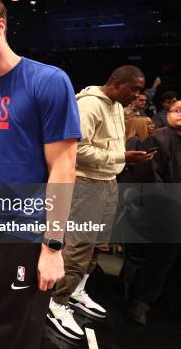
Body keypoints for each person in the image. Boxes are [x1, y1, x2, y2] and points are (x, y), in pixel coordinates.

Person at [0, 0, 81, 349]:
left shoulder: (50, 81)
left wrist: (54, 246)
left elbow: (63, 167)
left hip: (24, 230)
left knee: (15, 331)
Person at [49, 65, 154, 339]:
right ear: (117, 83)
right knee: (79, 246)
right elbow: (78, 149)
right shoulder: (88, 106)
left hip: (108, 182)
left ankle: (75, 291)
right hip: (86, 184)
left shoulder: (117, 105)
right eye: (134, 89)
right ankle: (56, 303)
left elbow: (111, 145)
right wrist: (121, 158)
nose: (137, 95)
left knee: (99, 244)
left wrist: (122, 157)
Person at [125, 100, 181, 324]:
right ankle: (141, 302)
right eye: (176, 111)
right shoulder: (158, 138)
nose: (179, 115)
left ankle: (171, 302)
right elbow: (149, 177)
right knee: (161, 257)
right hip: (164, 211)